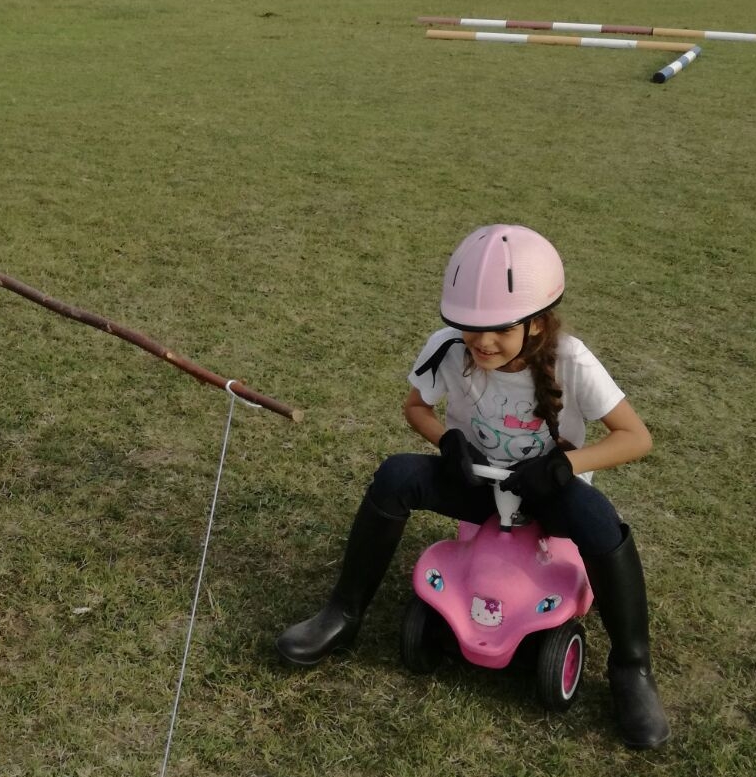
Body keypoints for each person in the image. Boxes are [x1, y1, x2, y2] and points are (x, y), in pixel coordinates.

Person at [275, 224, 670, 749]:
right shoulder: (447, 349)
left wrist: (566, 467)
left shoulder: (570, 360)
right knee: (396, 475)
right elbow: (415, 407)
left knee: (598, 521)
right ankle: (342, 615)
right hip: (478, 484)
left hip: (545, 493)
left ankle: (632, 668)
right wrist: (448, 442)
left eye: (500, 329)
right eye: (468, 327)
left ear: (536, 322)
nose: (481, 342)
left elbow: (635, 437)